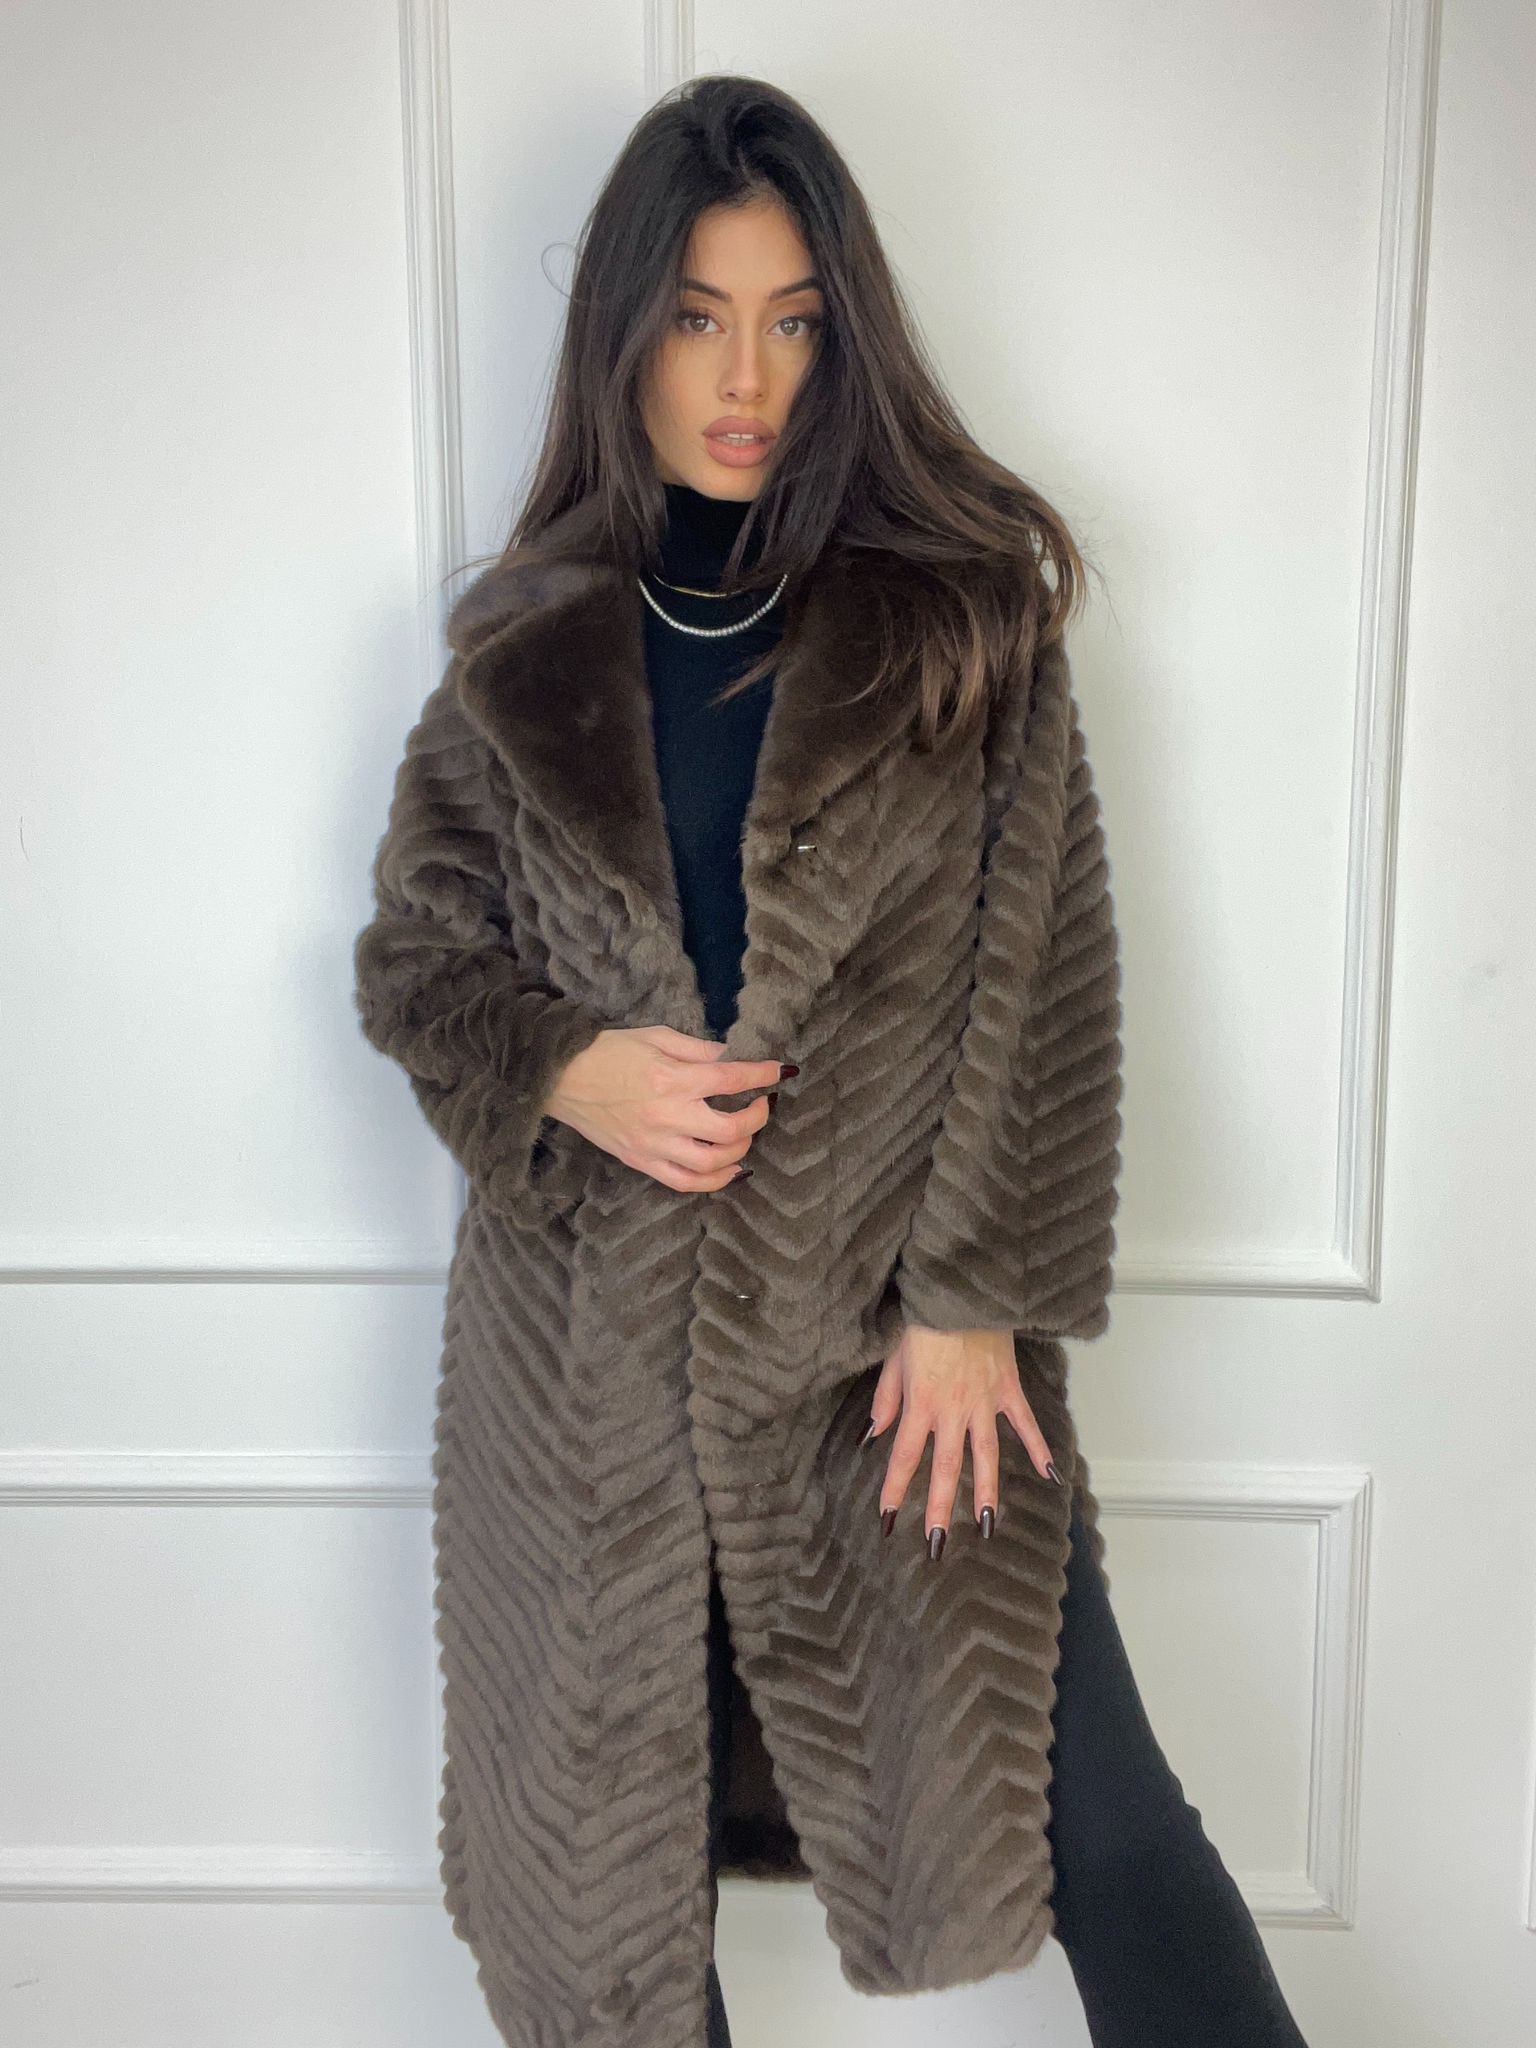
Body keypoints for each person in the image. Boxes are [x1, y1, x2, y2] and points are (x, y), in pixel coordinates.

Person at [353, 73, 1311, 2048]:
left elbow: (1044, 979)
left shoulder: (959, 627)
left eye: (794, 321)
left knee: (1113, 1836)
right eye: (698, 318)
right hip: (586, 1379)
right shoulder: (520, 653)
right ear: (622, 334)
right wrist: (567, 1069)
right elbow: (419, 965)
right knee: (607, 1918)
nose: (747, 378)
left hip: (883, 1369)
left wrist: (972, 1302)